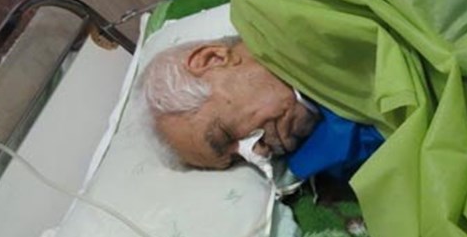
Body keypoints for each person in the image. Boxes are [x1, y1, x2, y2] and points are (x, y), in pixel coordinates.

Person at [139, 36, 383, 180]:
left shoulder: (298, 5)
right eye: (236, 160)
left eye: (225, 135)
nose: (257, 153)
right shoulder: (318, 160)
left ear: (213, 58)